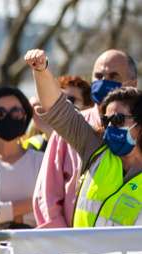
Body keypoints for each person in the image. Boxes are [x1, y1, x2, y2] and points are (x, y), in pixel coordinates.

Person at [26, 49, 142, 228]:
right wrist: (41, 70)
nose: (110, 127)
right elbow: (56, 108)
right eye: (106, 120)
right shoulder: (95, 148)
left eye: (118, 120)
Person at [0, 87, 43, 228]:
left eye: (16, 112)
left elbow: (48, 206)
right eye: (0, 113)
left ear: (25, 117)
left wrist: (3, 212)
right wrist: (31, 205)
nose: (8, 117)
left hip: (31, 245)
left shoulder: (41, 161)